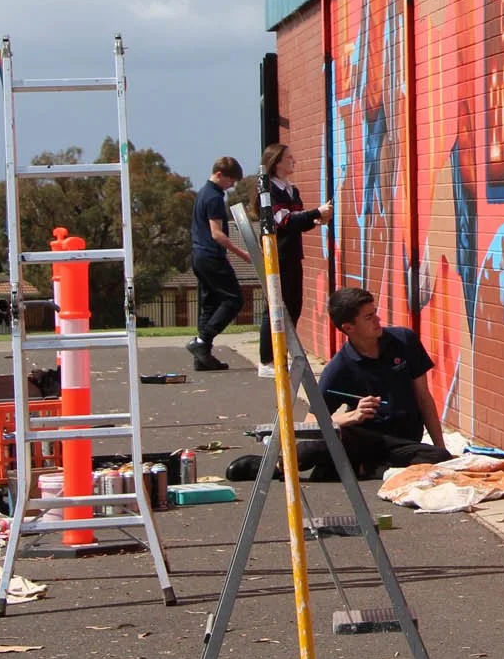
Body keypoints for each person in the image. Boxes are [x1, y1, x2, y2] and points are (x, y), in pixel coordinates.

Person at [316, 286, 451, 475]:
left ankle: (365, 468)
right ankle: (276, 466)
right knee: (310, 447)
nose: (378, 320)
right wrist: (352, 416)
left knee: (438, 457)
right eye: (369, 317)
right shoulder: (339, 368)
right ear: (348, 328)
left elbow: (424, 398)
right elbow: (312, 423)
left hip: (404, 441)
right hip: (366, 440)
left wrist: (441, 447)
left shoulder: (404, 340)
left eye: (375, 313)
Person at [252, 144, 332, 375]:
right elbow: (282, 221)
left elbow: (297, 222)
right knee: (276, 306)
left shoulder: (291, 190)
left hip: (293, 255)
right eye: (288, 157)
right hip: (277, 255)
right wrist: (316, 212)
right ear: (276, 162)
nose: (293, 160)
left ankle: (283, 355)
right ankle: (267, 360)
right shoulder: (268, 190)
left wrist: (316, 220)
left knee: (294, 306)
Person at [188, 156, 252, 372]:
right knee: (233, 300)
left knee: (209, 303)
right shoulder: (214, 197)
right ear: (219, 175)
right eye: (230, 181)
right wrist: (241, 253)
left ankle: (202, 358)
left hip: (198, 255)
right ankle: (202, 342)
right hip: (211, 255)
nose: (232, 186)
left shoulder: (202, 193)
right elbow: (216, 234)